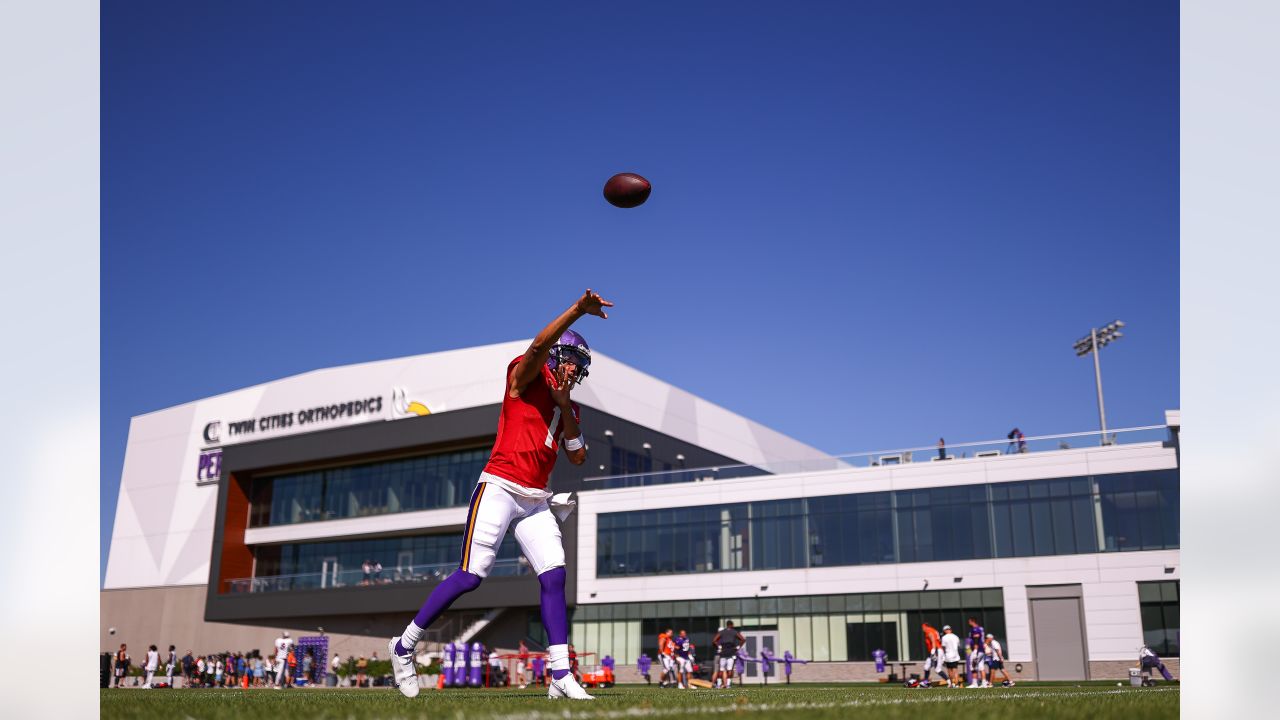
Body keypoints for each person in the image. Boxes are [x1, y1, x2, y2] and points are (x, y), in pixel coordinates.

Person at [388, 290, 611, 702]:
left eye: (581, 368)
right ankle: (404, 646)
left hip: (535, 497)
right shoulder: (524, 376)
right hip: (500, 485)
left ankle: (561, 674)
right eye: (573, 362)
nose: (575, 371)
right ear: (559, 357)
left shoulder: (569, 406)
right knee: (471, 576)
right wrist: (578, 310)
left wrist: (565, 407)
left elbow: (578, 458)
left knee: (555, 575)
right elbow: (540, 345)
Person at [712, 621, 745, 689]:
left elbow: (714, 640)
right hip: (731, 652)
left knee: (721, 669)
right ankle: (728, 685)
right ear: (732, 625)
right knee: (730, 669)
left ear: (726, 625)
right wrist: (738, 647)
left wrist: (719, 646)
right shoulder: (734, 631)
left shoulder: (722, 632)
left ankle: (719, 684)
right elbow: (743, 639)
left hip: (723, 652)